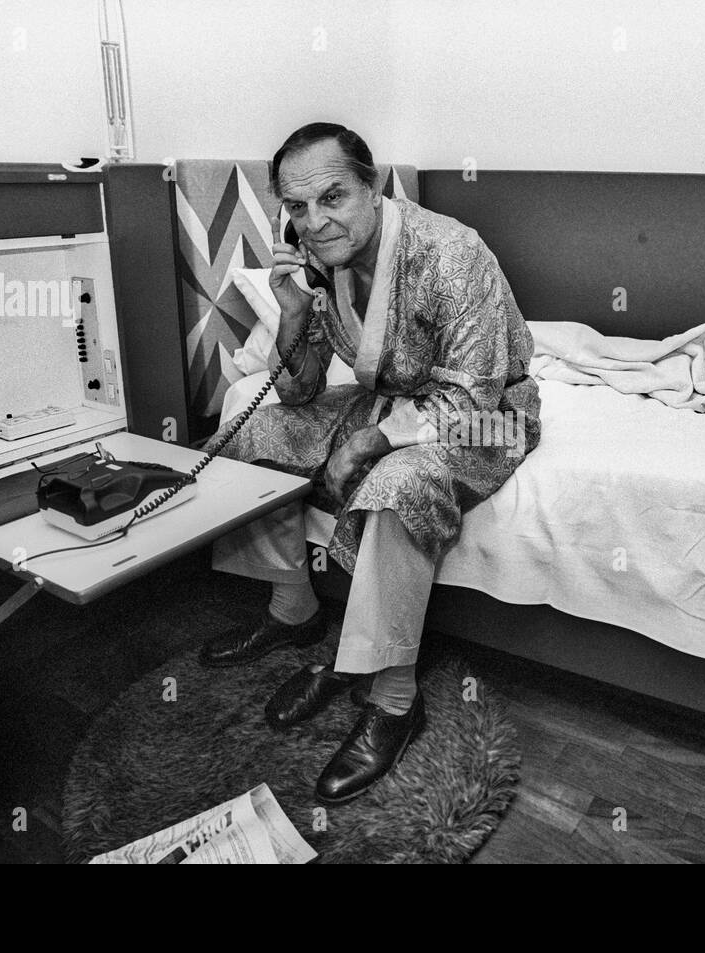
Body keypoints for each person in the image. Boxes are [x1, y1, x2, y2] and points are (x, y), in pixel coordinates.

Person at [199, 122, 541, 803]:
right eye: (297, 208)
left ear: (373, 185)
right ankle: (293, 608)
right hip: (391, 400)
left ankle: (393, 698)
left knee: (397, 481)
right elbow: (296, 389)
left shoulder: (451, 253)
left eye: (333, 197)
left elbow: (470, 391)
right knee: (258, 433)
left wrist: (365, 442)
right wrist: (293, 313)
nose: (315, 222)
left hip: (480, 413)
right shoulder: (323, 259)